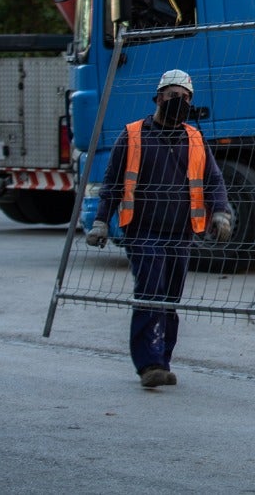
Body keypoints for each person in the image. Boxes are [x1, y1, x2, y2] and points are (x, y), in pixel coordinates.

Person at [86, 69, 234, 390]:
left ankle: (163, 361)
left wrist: (220, 212)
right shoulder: (133, 135)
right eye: (172, 95)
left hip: (181, 234)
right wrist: (101, 221)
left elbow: (214, 180)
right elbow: (112, 181)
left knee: (169, 300)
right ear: (158, 97)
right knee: (150, 294)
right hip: (142, 232)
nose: (178, 101)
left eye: (185, 97)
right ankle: (148, 363)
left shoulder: (194, 139)